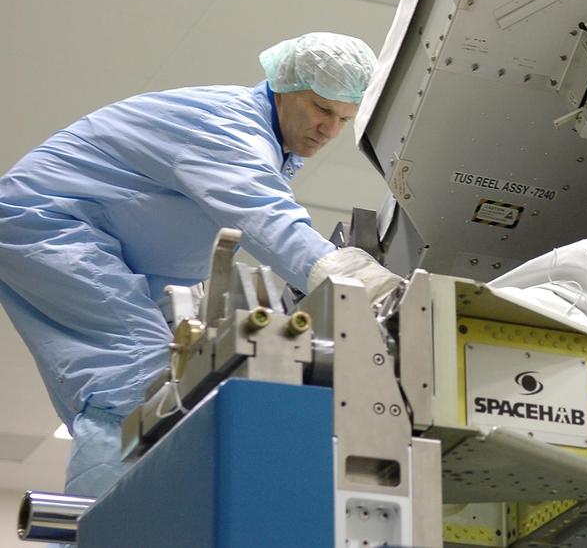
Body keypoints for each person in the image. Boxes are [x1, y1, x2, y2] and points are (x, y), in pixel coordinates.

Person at [0, 32, 402, 498]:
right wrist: (368, 287)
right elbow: (267, 218)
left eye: (344, 118)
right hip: (53, 224)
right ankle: (110, 520)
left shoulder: (268, 143)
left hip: (91, 239)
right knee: (136, 381)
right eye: (321, 108)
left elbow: (164, 246)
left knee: (144, 385)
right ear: (283, 87)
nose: (329, 129)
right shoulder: (226, 126)